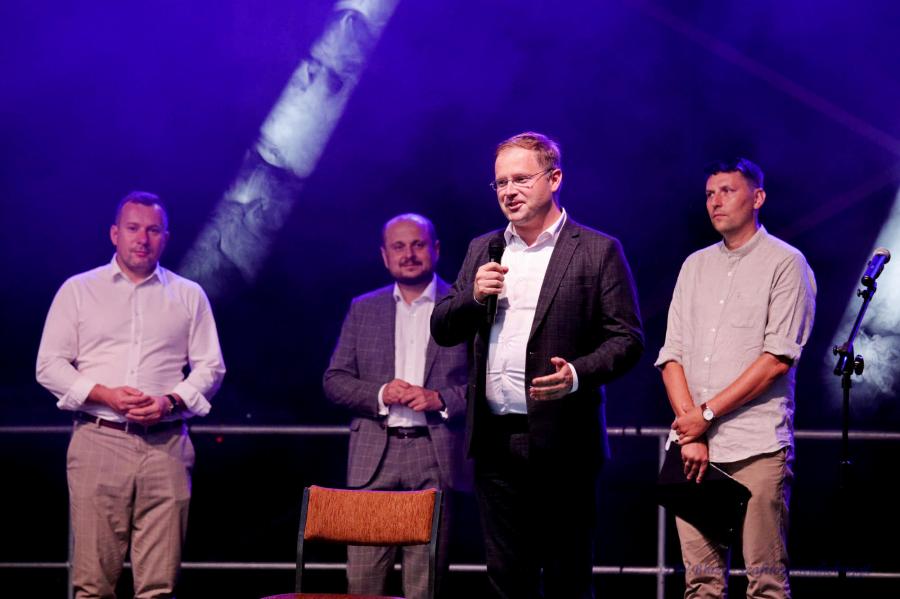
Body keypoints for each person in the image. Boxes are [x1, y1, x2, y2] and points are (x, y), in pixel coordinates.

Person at [430, 132, 644, 599]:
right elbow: (443, 328)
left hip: (564, 439)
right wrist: (472, 297)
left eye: (521, 179)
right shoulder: (483, 248)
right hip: (495, 439)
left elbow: (627, 338)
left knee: (567, 577)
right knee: (507, 578)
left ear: (555, 178)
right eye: (501, 182)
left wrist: (577, 374)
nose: (509, 191)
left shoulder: (596, 250)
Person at [36, 191, 226, 599]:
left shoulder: (188, 294)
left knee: (159, 587)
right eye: (133, 228)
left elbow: (211, 367)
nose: (143, 238)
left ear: (165, 238)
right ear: (114, 234)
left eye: (153, 230)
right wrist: (105, 395)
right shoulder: (79, 290)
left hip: (167, 444)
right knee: (93, 584)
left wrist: (168, 402)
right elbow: (49, 365)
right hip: (99, 438)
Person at [657, 158, 816, 598]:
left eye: (727, 191)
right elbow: (671, 356)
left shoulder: (786, 262)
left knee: (765, 584)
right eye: (710, 193)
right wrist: (691, 431)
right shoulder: (694, 265)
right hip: (695, 450)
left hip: (755, 447)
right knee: (700, 585)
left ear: (757, 197)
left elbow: (776, 360)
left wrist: (704, 415)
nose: (715, 201)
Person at [323, 213, 468, 599]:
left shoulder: (463, 307)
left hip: (435, 454)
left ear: (436, 249)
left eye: (418, 244)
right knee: (363, 584)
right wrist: (380, 393)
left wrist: (441, 399)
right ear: (385, 256)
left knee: (425, 586)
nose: (409, 254)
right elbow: (334, 381)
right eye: (399, 247)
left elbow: (487, 385)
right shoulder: (363, 308)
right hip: (374, 454)